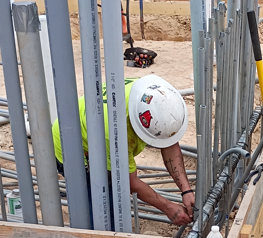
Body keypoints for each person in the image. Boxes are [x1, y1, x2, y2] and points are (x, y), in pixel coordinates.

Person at [53, 74, 194, 226]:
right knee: (103, 213)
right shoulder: (115, 131)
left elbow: (169, 143)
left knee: (115, 195)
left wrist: (186, 191)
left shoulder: (152, 94)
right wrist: (168, 207)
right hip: (71, 144)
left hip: (97, 131)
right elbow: (129, 181)